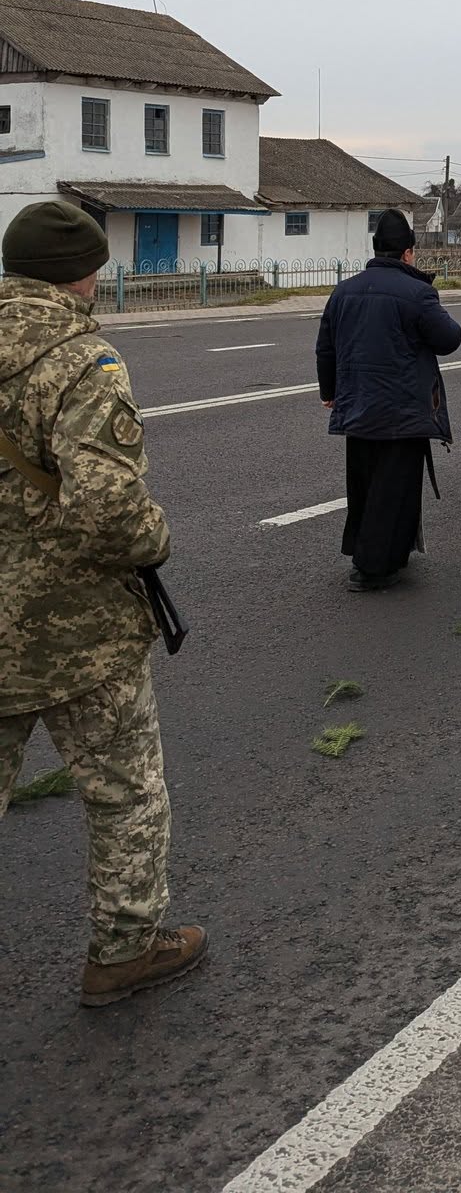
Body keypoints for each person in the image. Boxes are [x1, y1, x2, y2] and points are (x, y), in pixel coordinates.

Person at [0, 198, 206, 1007]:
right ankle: (124, 949)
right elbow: (107, 511)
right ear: (84, 275)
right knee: (124, 790)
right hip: (72, 631)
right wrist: (155, 539)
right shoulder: (84, 364)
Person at [317, 208, 461, 592]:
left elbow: (326, 348)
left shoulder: (344, 290)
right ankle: (375, 565)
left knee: (364, 484)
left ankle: (368, 551)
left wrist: (329, 392)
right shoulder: (417, 292)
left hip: (358, 404)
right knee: (394, 488)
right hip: (403, 408)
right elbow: (449, 339)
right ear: (408, 252)